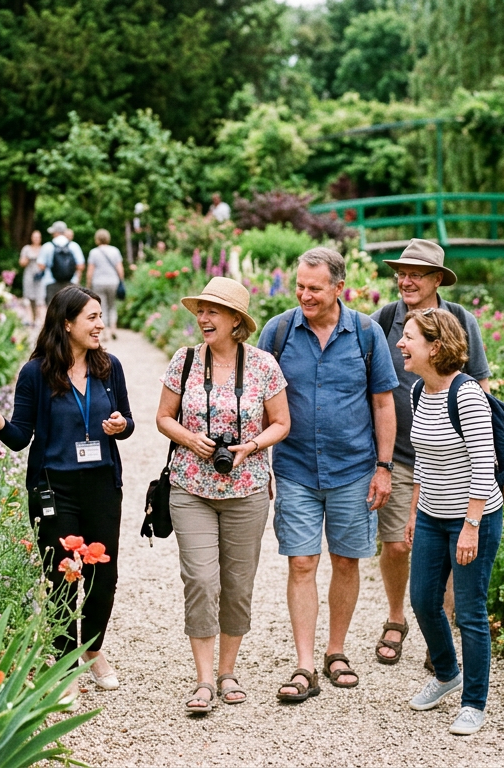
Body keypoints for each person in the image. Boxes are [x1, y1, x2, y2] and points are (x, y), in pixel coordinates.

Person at [0, 286, 134, 697]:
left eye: (100, 316)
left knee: (102, 574)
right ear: (67, 323)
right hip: (54, 486)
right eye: (92, 317)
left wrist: (119, 426)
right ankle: (64, 660)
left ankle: (92, 649)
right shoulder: (35, 373)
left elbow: (126, 420)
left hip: (102, 483)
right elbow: (21, 438)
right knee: (61, 576)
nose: (100, 325)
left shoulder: (111, 367)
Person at [257, 248, 398, 698]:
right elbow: (258, 402)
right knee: (301, 562)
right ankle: (304, 667)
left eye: (314, 288)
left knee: (345, 560)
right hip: (295, 466)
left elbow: (382, 404)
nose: (304, 294)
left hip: (355, 469)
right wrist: (262, 461)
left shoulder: (367, 335)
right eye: (300, 285)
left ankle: (335, 651)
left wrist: (384, 467)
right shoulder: (278, 332)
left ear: (339, 287)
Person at [155, 277, 291, 714]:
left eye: (213, 311)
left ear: (237, 321)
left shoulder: (264, 365)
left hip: (247, 488)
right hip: (190, 486)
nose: (203, 318)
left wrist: (251, 446)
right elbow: (162, 417)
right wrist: (191, 440)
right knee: (199, 579)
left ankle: (227, 672)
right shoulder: (186, 360)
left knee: (236, 586)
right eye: (201, 310)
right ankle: (202, 680)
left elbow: (281, 423)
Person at [369, 239, 491, 667]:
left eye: (416, 273)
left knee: (456, 550)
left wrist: (477, 449)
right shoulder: (382, 321)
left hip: (453, 459)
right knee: (398, 544)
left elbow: (480, 388)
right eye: (401, 273)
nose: (405, 280)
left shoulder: (459, 321)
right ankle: (397, 618)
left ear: (437, 279)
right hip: (399, 453)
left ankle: (442, 632)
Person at [399, 308, 504, 736]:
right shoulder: (418, 392)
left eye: (409, 338)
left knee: (471, 611)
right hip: (431, 515)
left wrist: (471, 526)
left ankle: (474, 702)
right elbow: (424, 460)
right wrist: (413, 512)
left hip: (472, 517)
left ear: (435, 346)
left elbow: (484, 466)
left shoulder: (467, 396)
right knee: (423, 600)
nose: (401, 345)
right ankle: (447, 673)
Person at [86, 229, 125, 342]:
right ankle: (113, 330)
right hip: (113, 282)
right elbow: (120, 268)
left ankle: (105, 334)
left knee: (101, 308)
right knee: (112, 306)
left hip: (98, 282)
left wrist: (88, 285)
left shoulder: (94, 252)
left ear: (97, 239)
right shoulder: (115, 251)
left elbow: (90, 271)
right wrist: (121, 280)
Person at [19, 230, 45, 325]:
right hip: (29, 275)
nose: (36, 239)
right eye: (34, 237)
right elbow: (21, 263)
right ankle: (29, 319)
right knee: (28, 298)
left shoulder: (43, 249)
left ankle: (39, 320)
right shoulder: (26, 249)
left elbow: (47, 264)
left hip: (39, 277)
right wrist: (29, 258)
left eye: (38, 237)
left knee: (40, 298)